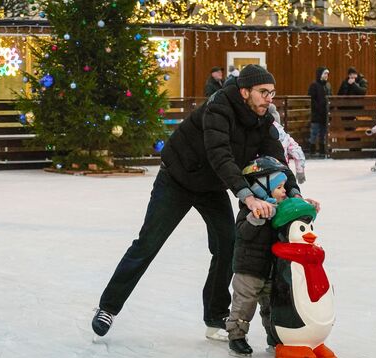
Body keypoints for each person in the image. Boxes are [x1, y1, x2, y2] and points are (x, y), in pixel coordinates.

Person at [92, 64, 317, 342]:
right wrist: (246, 195)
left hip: (211, 187)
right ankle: (108, 307)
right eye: (263, 92)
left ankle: (215, 316)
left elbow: (277, 163)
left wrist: (294, 193)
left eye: (271, 93)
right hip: (177, 179)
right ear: (245, 91)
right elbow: (219, 155)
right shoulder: (218, 108)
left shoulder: (263, 121)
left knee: (228, 243)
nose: (268, 98)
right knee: (148, 242)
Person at [226, 156, 288, 358]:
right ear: (263, 188)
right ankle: (236, 337)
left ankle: (275, 338)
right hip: (248, 270)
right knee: (244, 305)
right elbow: (242, 234)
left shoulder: (280, 209)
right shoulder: (249, 210)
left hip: (270, 270)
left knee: (272, 306)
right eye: (279, 187)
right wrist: (256, 218)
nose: (284, 191)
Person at [268, 103, 306, 184]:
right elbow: (297, 150)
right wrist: (300, 171)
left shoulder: (256, 130)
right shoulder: (284, 135)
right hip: (282, 171)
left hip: (261, 172)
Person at [308, 67, 332, 157]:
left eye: (327, 74)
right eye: (325, 74)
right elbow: (311, 99)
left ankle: (322, 150)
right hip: (316, 113)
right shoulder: (314, 85)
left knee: (323, 133)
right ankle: (312, 150)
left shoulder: (328, 85)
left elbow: (330, 97)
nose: (326, 76)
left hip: (325, 114)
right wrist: (317, 108)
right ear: (320, 74)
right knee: (314, 132)